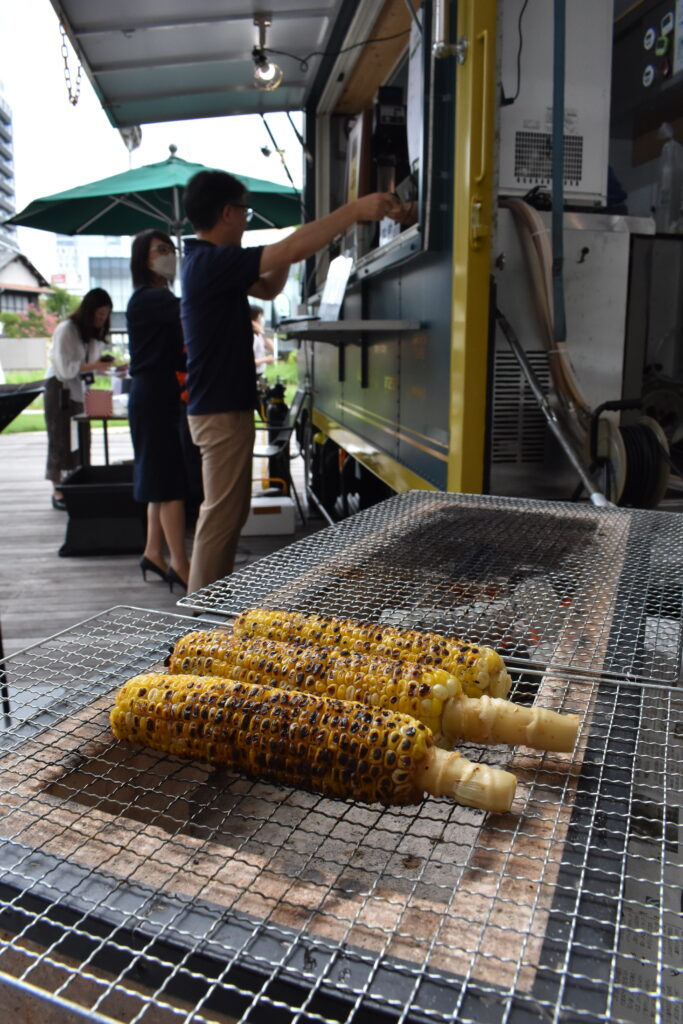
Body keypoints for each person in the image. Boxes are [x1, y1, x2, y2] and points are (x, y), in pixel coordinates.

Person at [181, 169, 403, 593]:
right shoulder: (210, 262)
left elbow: (267, 285)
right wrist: (354, 211)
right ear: (227, 212)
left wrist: (288, 250)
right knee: (221, 518)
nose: (246, 221)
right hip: (220, 410)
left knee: (227, 515)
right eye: (244, 212)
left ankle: (209, 606)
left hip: (219, 407)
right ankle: (199, 619)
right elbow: (284, 252)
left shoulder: (207, 263)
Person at [126, 229, 190, 590]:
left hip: (155, 392)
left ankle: (153, 551)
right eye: (160, 250)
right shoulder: (151, 299)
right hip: (153, 394)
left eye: (170, 248)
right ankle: (180, 564)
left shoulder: (156, 298)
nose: (168, 255)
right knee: (170, 485)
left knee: (157, 479)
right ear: (143, 259)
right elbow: (192, 307)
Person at [44, 288, 113, 509]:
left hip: (77, 390)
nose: (102, 319)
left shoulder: (90, 335)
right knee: (60, 437)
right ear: (89, 311)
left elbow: (88, 367)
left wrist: (110, 369)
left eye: (105, 315)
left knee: (82, 439)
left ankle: (79, 484)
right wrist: (95, 366)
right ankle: (58, 491)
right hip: (59, 388)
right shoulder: (67, 330)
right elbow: (65, 369)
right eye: (99, 314)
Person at [250, 304, 275, 377]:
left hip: (259, 374)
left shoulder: (259, 334)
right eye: (261, 316)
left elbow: (272, 348)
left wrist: (262, 332)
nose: (263, 319)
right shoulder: (253, 336)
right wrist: (265, 359)